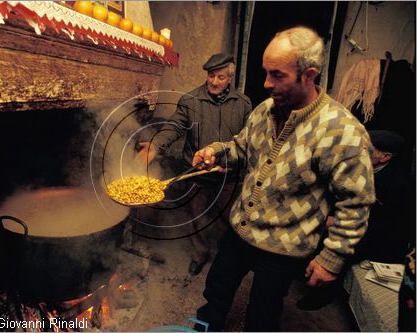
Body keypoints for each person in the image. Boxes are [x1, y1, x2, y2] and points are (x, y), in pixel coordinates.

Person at [191, 26, 375, 331]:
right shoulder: (265, 110)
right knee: (217, 288)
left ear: (309, 74)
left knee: (263, 312)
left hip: (284, 247)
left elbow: (356, 203)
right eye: (265, 73)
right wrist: (216, 152)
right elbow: (241, 147)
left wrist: (332, 257)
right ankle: (203, 325)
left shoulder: (342, 131)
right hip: (241, 230)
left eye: (277, 75)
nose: (266, 84)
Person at [136, 53, 252, 275]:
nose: (214, 82)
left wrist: (236, 162)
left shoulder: (244, 104)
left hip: (229, 175)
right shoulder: (190, 100)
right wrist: (156, 144)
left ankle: (222, 260)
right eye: (211, 76)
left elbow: (249, 140)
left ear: (230, 78)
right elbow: (174, 126)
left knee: (227, 219)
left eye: (220, 77)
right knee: (197, 218)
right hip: (196, 175)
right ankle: (199, 255)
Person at [296, 130, 415, 310]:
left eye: (367, 149)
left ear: (385, 157)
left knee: (344, 247)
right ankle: (305, 271)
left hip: (378, 235)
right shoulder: (357, 164)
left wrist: (338, 223)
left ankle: (322, 295)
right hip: (357, 220)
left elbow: (388, 226)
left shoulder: (398, 186)